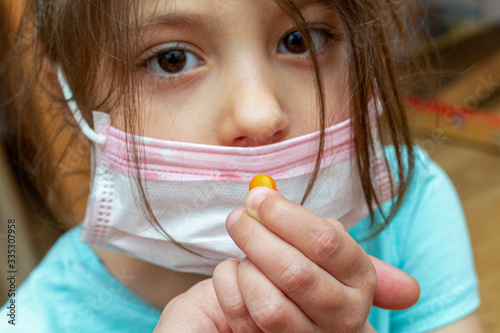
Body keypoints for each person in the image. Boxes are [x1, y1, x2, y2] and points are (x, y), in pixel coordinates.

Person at [0, 0, 482, 332]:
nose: (260, 114)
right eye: (171, 59)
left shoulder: (409, 201)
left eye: (302, 39)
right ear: (72, 102)